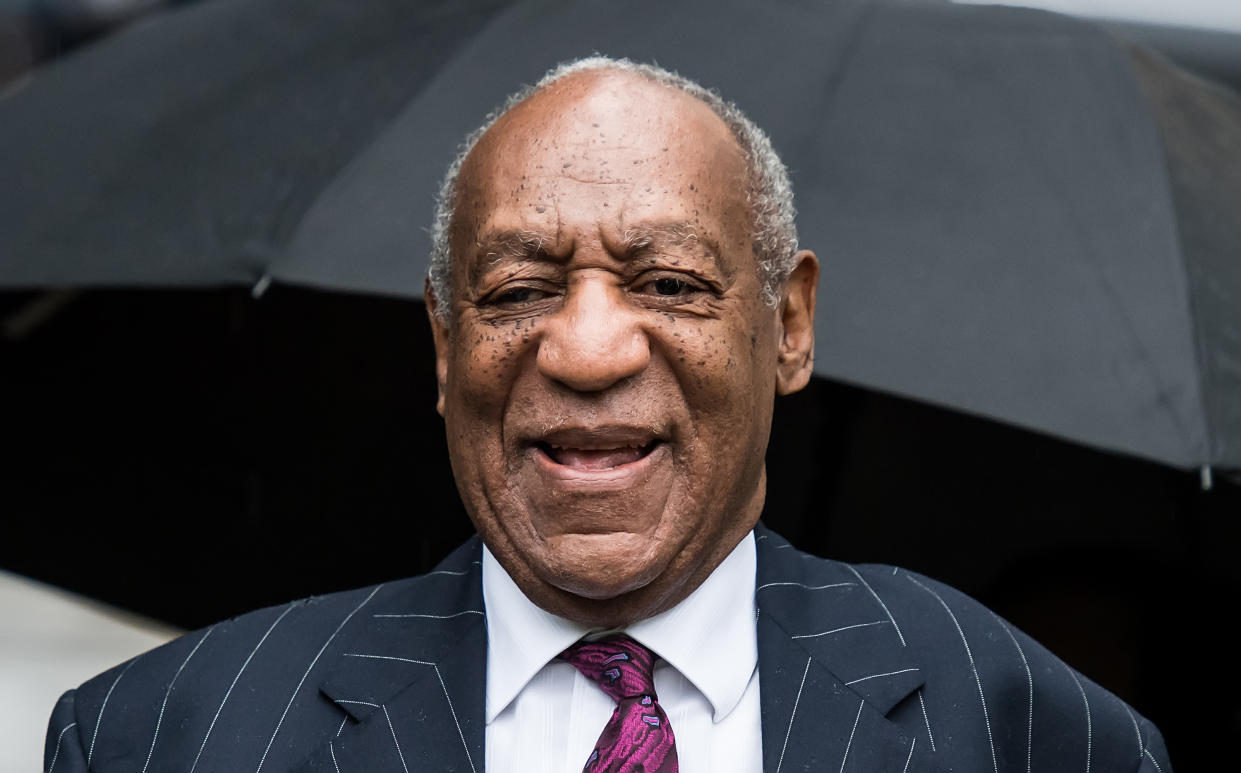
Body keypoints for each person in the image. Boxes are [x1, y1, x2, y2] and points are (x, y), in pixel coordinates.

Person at [44, 56, 1172, 773]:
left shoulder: (1029, 733)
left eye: (669, 283)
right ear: (444, 344)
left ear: (786, 326)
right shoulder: (167, 740)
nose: (586, 350)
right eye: (520, 288)